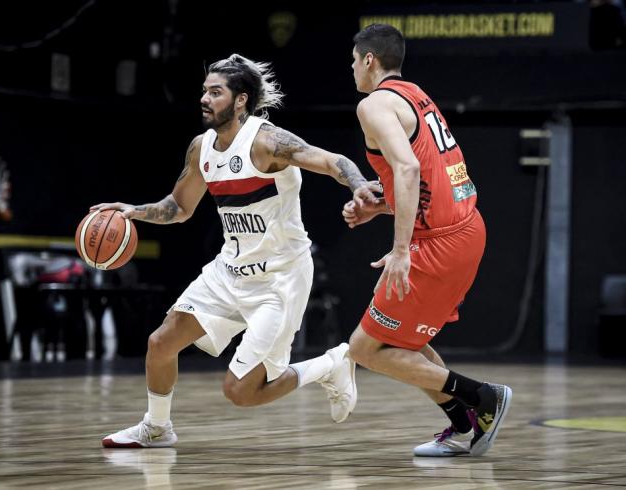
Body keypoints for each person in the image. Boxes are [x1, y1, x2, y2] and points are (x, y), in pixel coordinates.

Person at [95, 54, 376, 447]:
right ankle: (157, 428)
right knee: (160, 343)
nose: (204, 99)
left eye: (216, 92)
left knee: (241, 392)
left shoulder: (267, 142)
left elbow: (333, 161)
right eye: (204, 91)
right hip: (230, 271)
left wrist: (359, 185)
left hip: (279, 280)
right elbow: (179, 207)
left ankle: (329, 365)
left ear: (240, 100)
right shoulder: (202, 148)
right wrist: (134, 212)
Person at [343, 24, 512, 457]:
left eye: (353, 60)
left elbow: (408, 169)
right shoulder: (416, 95)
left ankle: (482, 397)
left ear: (369, 60)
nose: (352, 68)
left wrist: (401, 251)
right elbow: (430, 182)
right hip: (463, 228)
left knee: (364, 349)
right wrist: (380, 207)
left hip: (439, 242)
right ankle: (462, 424)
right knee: (405, 342)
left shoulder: (373, 104)